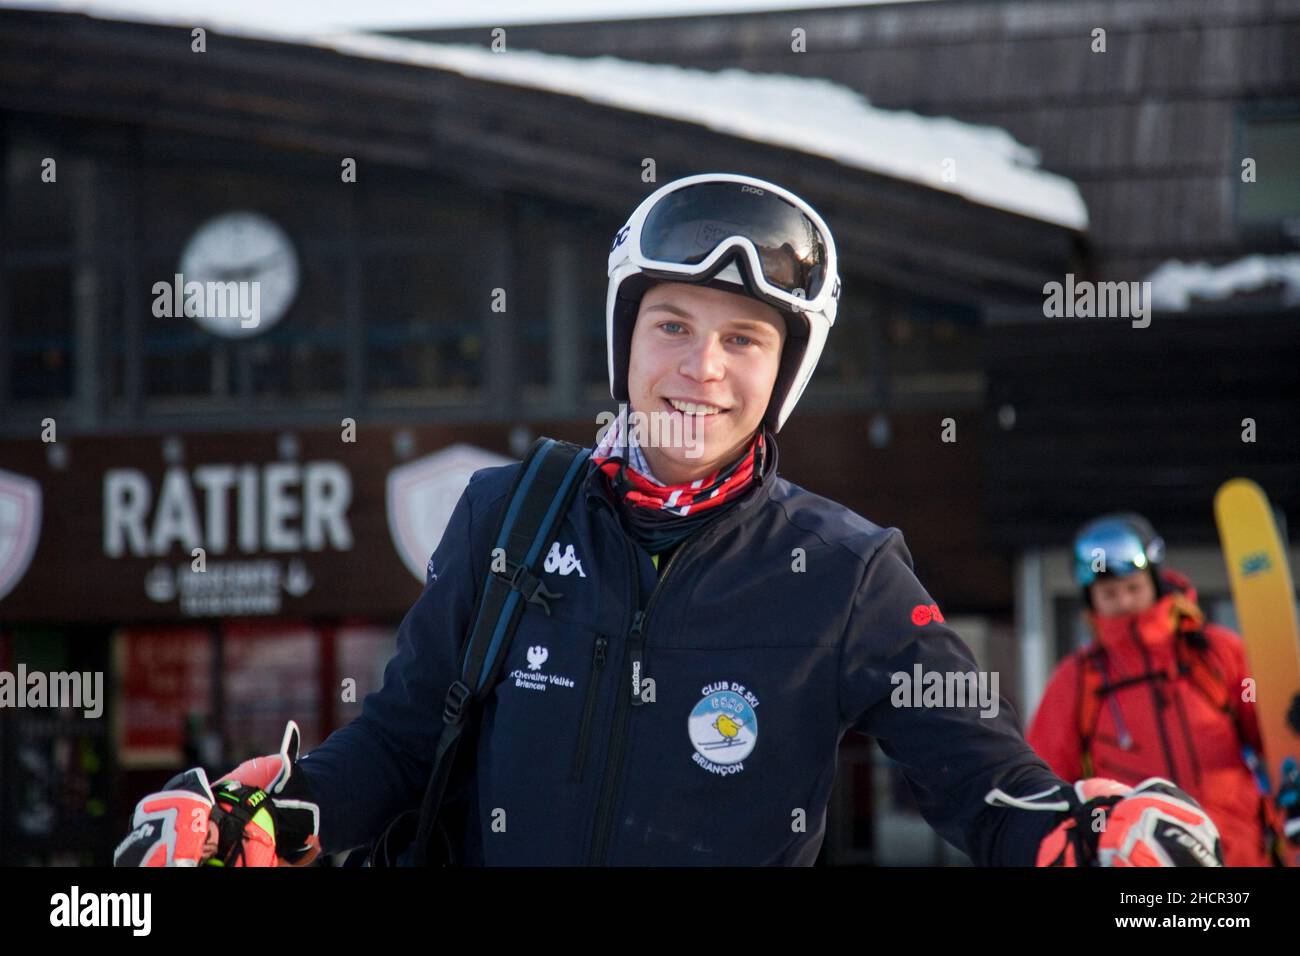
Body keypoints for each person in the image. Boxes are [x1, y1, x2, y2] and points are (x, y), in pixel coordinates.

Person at [116, 173, 1224, 868]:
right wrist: (270, 815)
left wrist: (1075, 834)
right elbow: (402, 741)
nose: (701, 366)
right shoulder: (505, 514)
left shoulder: (844, 570)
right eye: (671, 323)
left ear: (783, 372)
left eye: (744, 338)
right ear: (624, 342)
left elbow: (982, 781)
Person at [1027, 512, 1286, 866]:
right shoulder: (1076, 680)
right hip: (1139, 858)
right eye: (1109, 593)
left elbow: (1268, 729)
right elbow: (1047, 776)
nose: (1125, 602)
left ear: (1155, 583)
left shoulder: (1215, 654)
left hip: (1239, 851)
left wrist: (1286, 713)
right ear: (1091, 600)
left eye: (1134, 588)